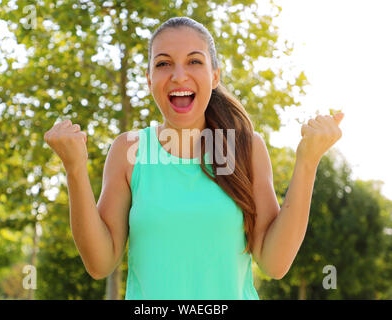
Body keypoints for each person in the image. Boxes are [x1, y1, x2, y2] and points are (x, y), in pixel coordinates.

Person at [44, 16, 344, 300]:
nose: (178, 75)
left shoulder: (246, 148)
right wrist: (74, 170)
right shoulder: (129, 150)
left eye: (194, 61)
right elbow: (99, 264)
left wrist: (307, 161)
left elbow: (274, 264)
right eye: (163, 64)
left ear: (214, 75)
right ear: (150, 80)